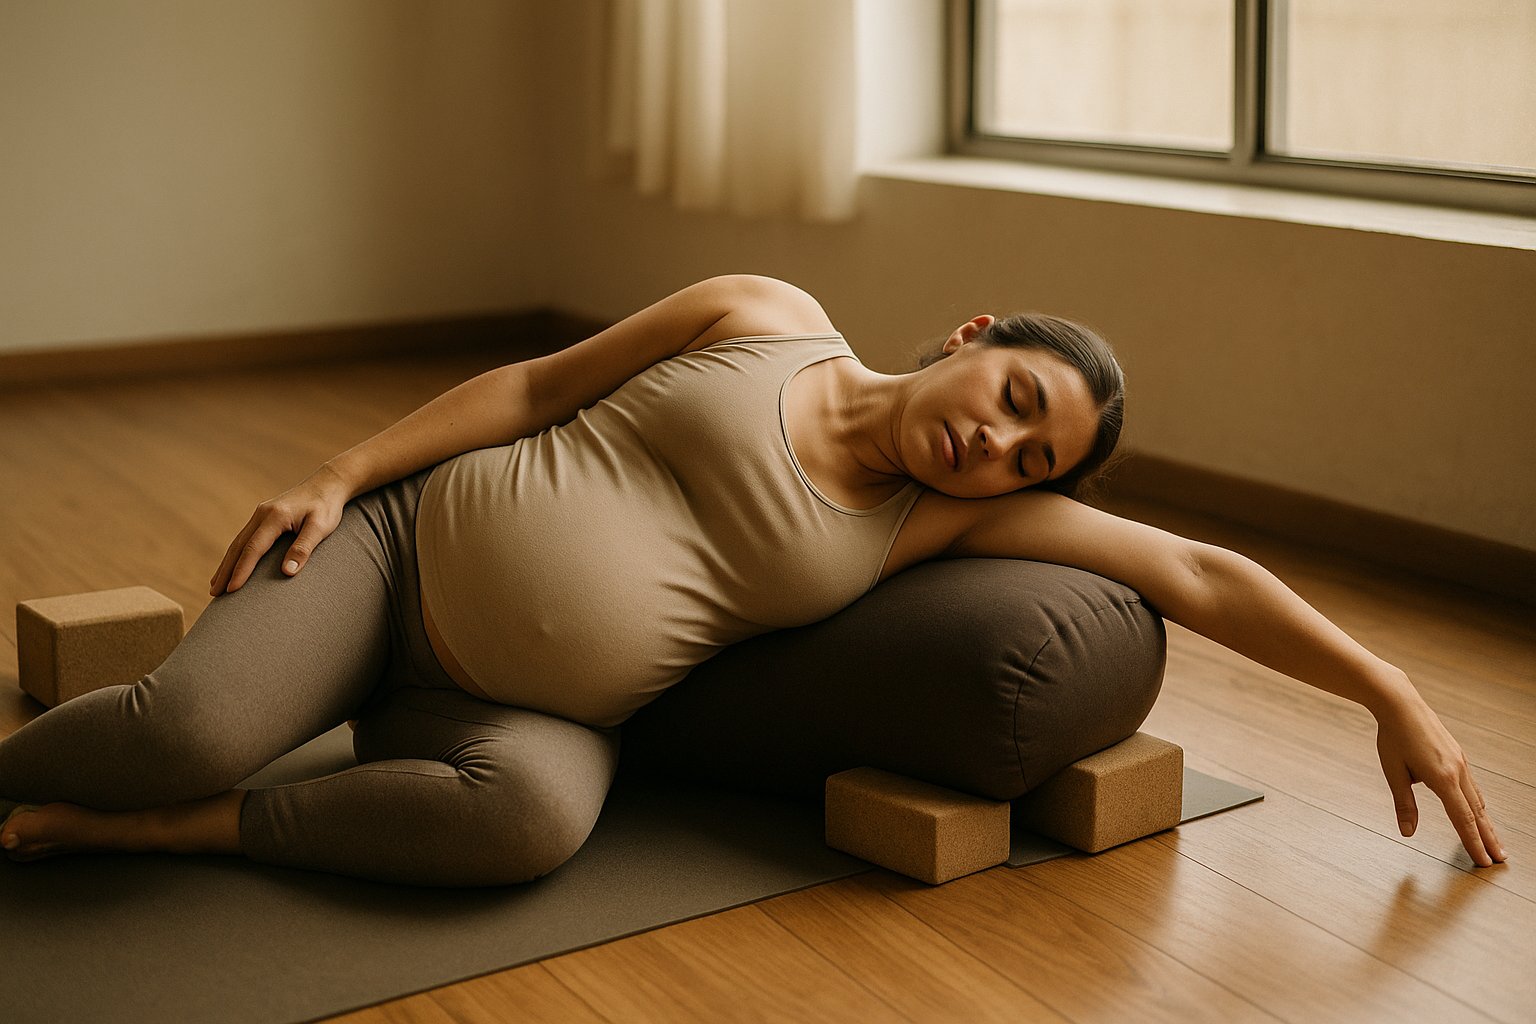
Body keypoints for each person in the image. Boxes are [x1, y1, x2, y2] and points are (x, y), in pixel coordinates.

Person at [0, 275, 1505, 883]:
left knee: (531, 829)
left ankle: (168, 839)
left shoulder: (936, 522)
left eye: (1031, 463)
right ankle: (116, 781)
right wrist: (342, 475)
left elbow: (1192, 571)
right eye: (1018, 402)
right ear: (978, 335)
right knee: (177, 722)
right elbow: (533, 388)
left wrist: (1393, 691)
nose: (994, 447)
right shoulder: (763, 312)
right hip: (400, 569)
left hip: (528, 720)